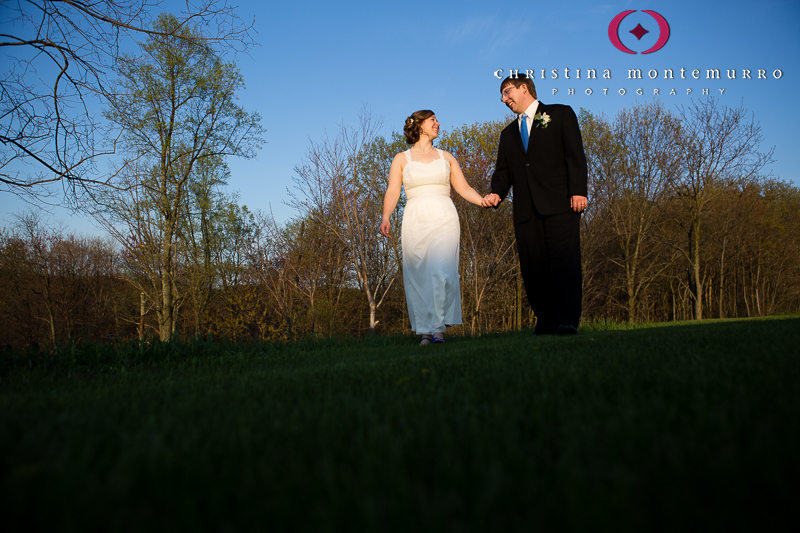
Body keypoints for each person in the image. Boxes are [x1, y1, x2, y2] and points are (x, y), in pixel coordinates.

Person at [482, 74, 588, 336]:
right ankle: (546, 319)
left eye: (507, 92)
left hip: (561, 203)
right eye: (502, 95)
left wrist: (578, 191)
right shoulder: (507, 134)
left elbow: (574, 155)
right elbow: (503, 171)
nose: (503, 99)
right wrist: (496, 193)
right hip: (526, 210)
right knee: (533, 266)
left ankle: (567, 320)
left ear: (524, 88)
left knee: (564, 261)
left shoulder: (561, 114)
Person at [381, 110, 484, 345]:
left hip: (444, 217)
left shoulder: (446, 157)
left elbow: (464, 188)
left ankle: (438, 329)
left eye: (437, 120)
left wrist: (483, 200)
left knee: (440, 271)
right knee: (419, 274)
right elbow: (393, 191)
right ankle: (425, 330)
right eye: (433, 120)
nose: (438, 123)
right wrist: (386, 216)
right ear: (419, 126)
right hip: (415, 219)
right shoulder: (401, 158)